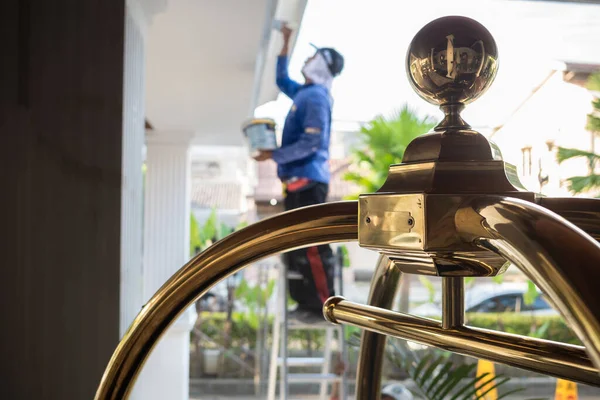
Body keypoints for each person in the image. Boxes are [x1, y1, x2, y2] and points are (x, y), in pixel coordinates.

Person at [253, 24, 344, 322]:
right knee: (295, 248)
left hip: (308, 183)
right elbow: (281, 79)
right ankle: (305, 304)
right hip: (296, 184)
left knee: (313, 248)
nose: (307, 60)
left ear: (321, 64)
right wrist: (286, 43)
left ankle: (322, 305)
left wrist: (274, 155)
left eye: (312, 57)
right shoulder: (306, 94)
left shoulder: (316, 97)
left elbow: (312, 141)